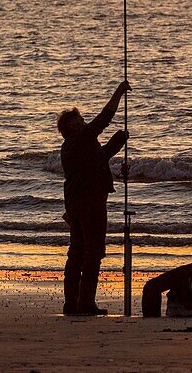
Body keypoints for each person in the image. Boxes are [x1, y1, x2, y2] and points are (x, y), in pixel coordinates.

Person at [56, 80, 131, 315]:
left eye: (81, 120)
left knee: (78, 251)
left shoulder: (77, 145)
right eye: (78, 122)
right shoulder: (78, 140)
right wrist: (118, 92)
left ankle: (73, 303)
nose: (83, 123)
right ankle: (85, 302)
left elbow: (100, 157)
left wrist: (117, 143)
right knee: (93, 251)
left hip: (79, 202)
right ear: (71, 129)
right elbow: (103, 119)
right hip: (89, 202)